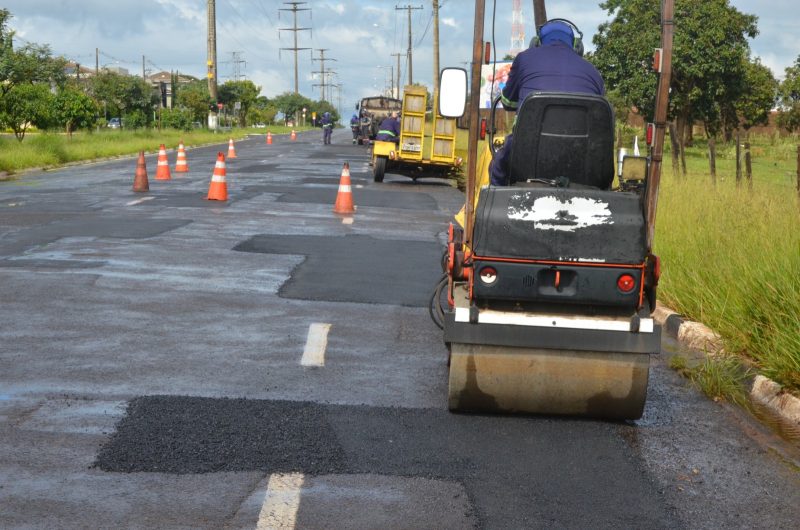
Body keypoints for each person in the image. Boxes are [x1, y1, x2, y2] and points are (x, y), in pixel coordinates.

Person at [490, 19, 605, 186]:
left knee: (497, 167)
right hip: (581, 159)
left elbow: (508, 102)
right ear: (577, 46)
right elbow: (600, 120)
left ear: (536, 43)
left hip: (526, 154)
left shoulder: (524, 59)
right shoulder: (593, 72)